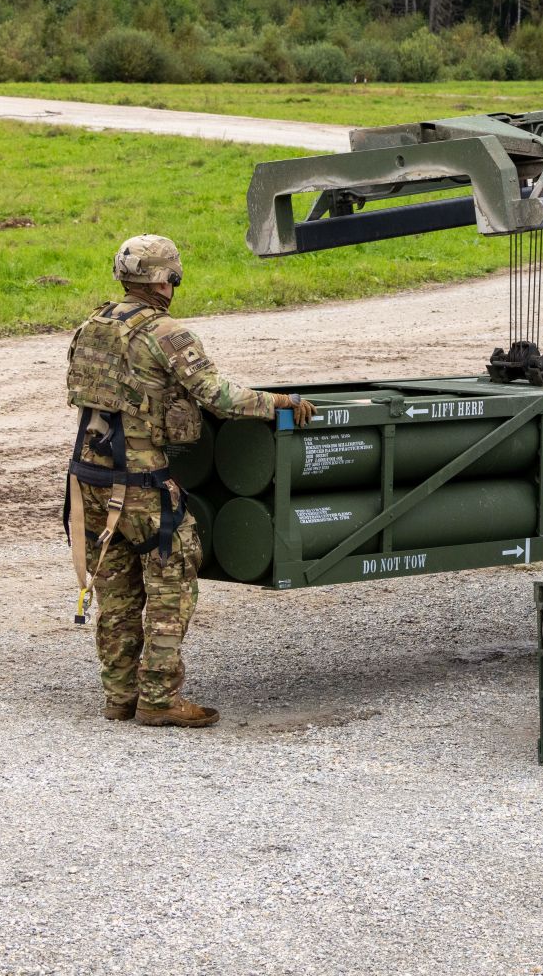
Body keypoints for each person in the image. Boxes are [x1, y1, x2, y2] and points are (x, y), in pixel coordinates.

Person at [64, 234, 315, 727]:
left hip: (87, 479)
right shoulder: (167, 335)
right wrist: (279, 403)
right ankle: (158, 700)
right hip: (140, 482)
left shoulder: (90, 326)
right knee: (171, 582)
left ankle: (119, 696)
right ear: (165, 280)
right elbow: (219, 397)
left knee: (114, 591)